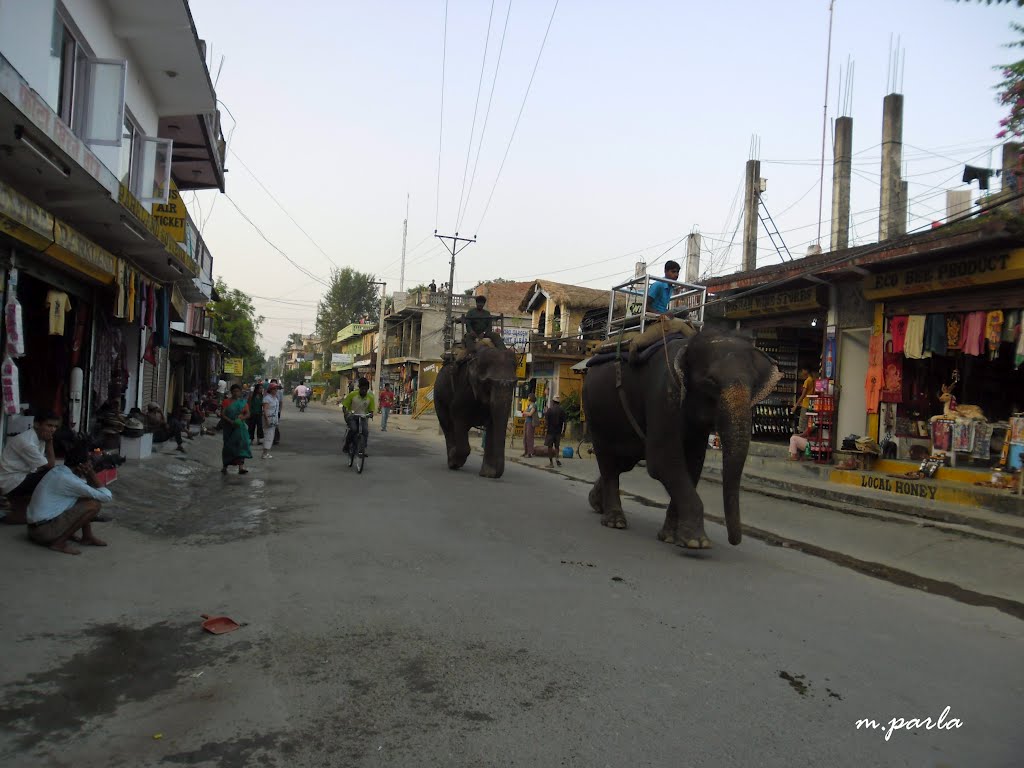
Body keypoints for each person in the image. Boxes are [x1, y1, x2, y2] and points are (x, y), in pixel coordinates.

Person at [25, 443, 111, 555]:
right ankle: (59, 543)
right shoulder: (69, 480)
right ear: (81, 465)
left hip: (34, 529)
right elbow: (106, 496)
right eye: (89, 462)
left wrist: (88, 475)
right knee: (94, 505)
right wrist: (91, 473)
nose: (91, 464)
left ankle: (87, 537)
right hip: (43, 532)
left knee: (85, 497)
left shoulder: (59, 471)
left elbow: (88, 490)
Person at [0, 411, 59, 519]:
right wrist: (50, 442)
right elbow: (50, 465)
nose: (53, 429)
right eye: (49, 425)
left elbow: (41, 465)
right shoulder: (27, 442)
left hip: (18, 477)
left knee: (54, 473)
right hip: (11, 481)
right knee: (53, 475)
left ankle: (26, 508)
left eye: (55, 426)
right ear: (37, 424)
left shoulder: (38, 438)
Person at [220, 384, 252, 474]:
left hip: (239, 427)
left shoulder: (243, 402)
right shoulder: (226, 402)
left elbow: (248, 414)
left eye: (237, 391)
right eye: (234, 391)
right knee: (227, 446)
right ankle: (225, 466)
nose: (236, 393)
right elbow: (223, 414)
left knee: (241, 445)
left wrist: (241, 418)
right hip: (228, 427)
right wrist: (231, 421)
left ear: (240, 392)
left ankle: (241, 467)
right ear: (231, 392)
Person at [342, 378, 376, 456]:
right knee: (353, 429)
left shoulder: (370, 397)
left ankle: (362, 449)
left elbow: (371, 409)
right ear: (359, 388)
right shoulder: (352, 394)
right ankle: (347, 445)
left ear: (368, 389)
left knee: (365, 431)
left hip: (363, 417)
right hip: (352, 416)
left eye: (366, 389)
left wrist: (371, 414)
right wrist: (346, 413)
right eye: (362, 389)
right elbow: (344, 406)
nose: (364, 391)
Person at [544, 396, 566, 468]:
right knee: (557, 446)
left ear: (553, 402)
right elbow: (565, 422)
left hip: (550, 432)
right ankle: (557, 459)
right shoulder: (562, 410)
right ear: (559, 402)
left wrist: (545, 429)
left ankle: (551, 463)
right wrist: (564, 431)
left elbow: (546, 422)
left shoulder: (549, 410)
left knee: (550, 447)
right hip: (558, 432)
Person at [262, 382, 282, 459]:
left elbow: (276, 410)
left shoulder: (275, 398)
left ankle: (266, 452)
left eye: (276, 389)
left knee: (271, 436)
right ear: (270, 390)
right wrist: (267, 420)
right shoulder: (267, 398)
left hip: (274, 419)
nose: (276, 390)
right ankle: (264, 453)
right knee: (268, 436)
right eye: (274, 389)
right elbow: (265, 410)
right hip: (269, 419)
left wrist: (277, 421)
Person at [793, 367, 816, 433]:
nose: (802, 372)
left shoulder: (807, 381)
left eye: (803, 370)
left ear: (806, 370)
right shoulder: (813, 380)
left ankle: (800, 440)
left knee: (802, 425)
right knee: (808, 424)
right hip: (811, 404)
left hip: (806, 404)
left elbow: (803, 395)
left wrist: (796, 406)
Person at [521, 394, 537, 458]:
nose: (528, 398)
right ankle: (526, 451)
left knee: (529, 437)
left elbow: (530, 414)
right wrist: (524, 413)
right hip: (526, 422)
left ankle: (530, 453)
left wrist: (525, 413)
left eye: (529, 397)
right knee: (525, 437)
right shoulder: (529, 405)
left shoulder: (534, 405)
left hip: (531, 423)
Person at [270, 379, 283, 445]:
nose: (274, 388)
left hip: (276, 412)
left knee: (276, 425)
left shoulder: (279, 392)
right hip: (269, 412)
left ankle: (276, 439)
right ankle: (270, 439)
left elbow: (281, 402)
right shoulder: (267, 394)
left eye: (275, 385)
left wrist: (279, 410)